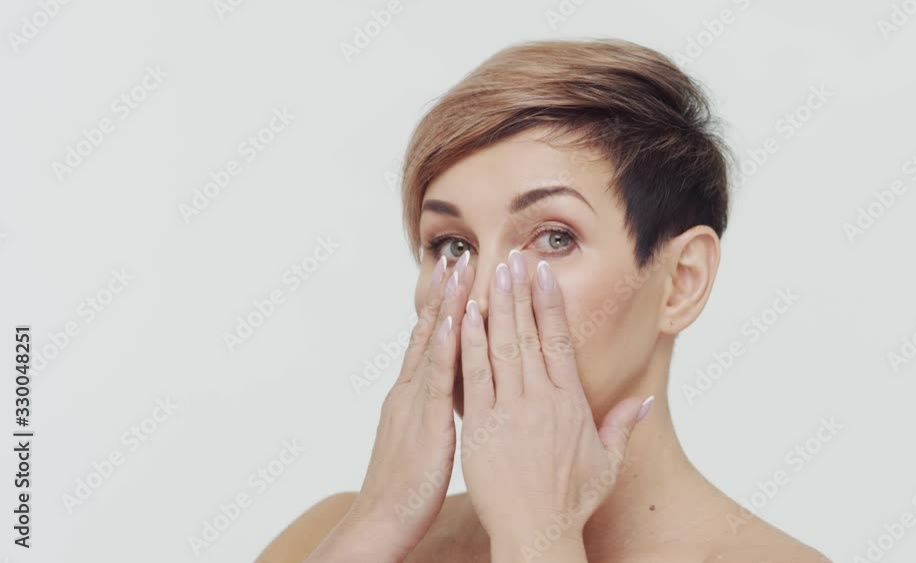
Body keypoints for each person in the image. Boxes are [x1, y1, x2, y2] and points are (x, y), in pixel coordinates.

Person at [257, 38, 831, 563]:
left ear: (682, 280)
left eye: (555, 238)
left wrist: (537, 537)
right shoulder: (325, 537)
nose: (481, 297)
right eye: (453, 245)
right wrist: (378, 523)